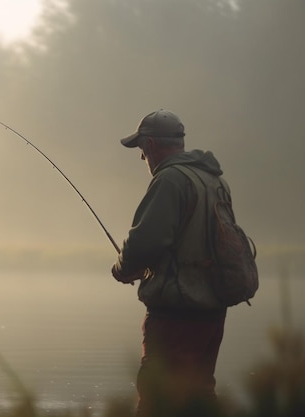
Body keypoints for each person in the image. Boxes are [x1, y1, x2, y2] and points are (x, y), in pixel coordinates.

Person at [112, 109, 229, 417]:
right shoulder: (212, 179)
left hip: (175, 313)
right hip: (213, 311)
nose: (142, 158)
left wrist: (123, 268)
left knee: (157, 398)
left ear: (150, 145)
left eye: (141, 150)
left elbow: (145, 242)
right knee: (199, 395)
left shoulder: (169, 180)